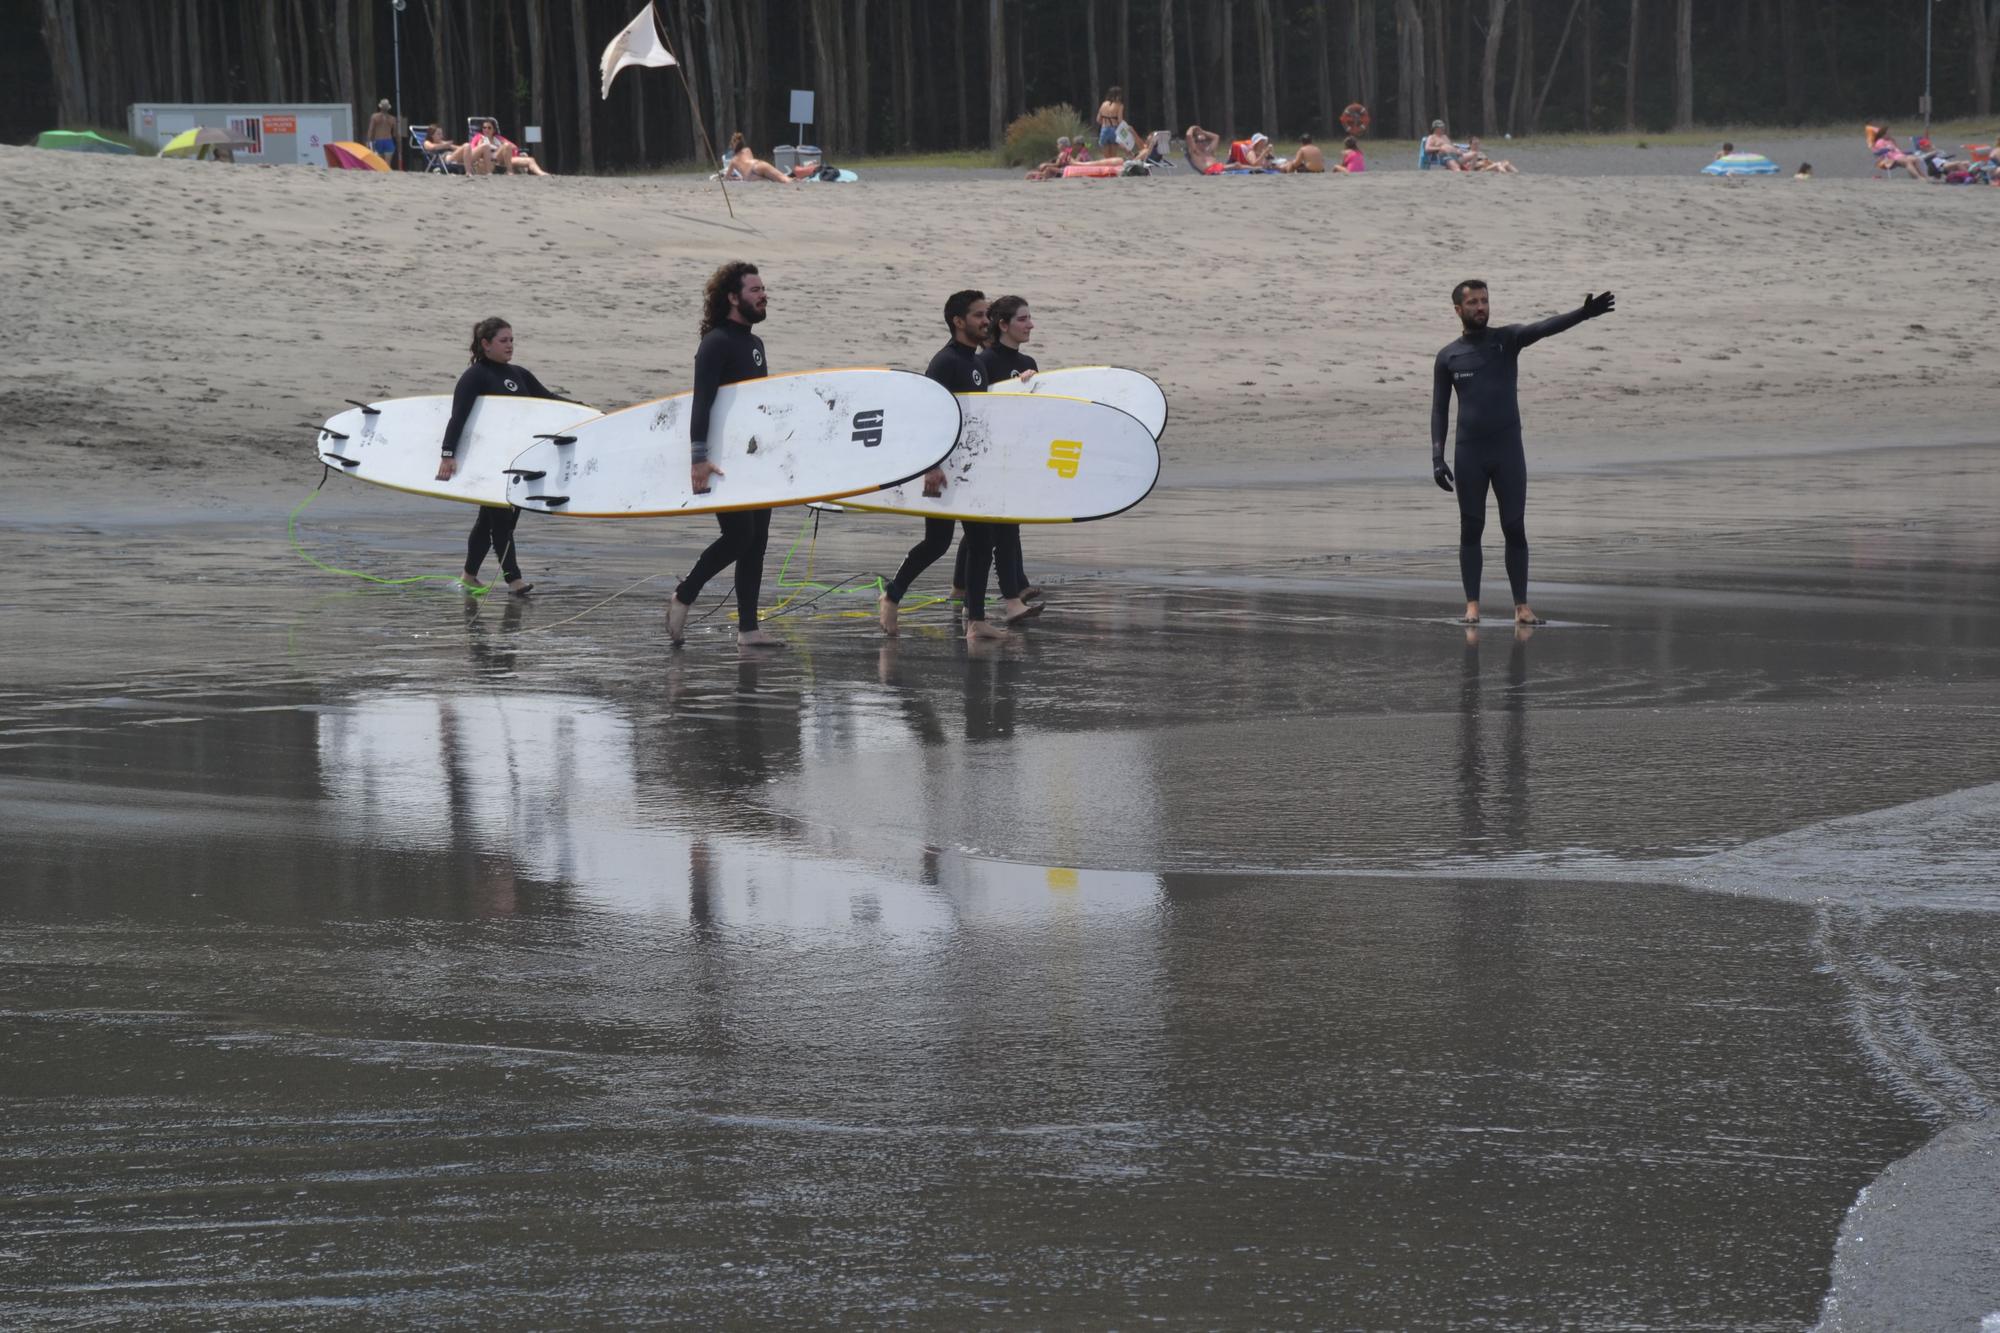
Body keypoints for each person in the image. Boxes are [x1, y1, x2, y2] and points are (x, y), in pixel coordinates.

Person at [1429, 280, 1616, 626]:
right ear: (1458, 310)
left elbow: (1543, 328)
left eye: (1484, 300)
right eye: (1472, 302)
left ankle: (1522, 607)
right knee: (1471, 528)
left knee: (1514, 526)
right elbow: (1440, 410)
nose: (1481, 307)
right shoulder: (1448, 357)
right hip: (1469, 452)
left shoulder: (1507, 340)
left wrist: (1583, 314)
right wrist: (1437, 458)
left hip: (1507, 451)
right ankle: (1472, 606)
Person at [878, 290, 1027, 641]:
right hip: (941, 469)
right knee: (937, 542)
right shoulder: (945, 362)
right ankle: (892, 595)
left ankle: (975, 621)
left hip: (968, 469)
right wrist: (931, 466)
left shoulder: (976, 363)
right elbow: (927, 416)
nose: (985, 321)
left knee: (981, 539)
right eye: (978, 315)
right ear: (959, 321)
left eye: (987, 315)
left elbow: (979, 420)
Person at [665, 263, 780, 648]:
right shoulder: (716, 343)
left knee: (758, 539)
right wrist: (699, 457)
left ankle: (748, 629)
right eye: (755, 290)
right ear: (732, 297)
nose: (763, 295)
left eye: (764, 289)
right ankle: (686, 592)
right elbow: (703, 401)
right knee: (739, 536)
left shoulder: (755, 344)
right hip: (721, 458)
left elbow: (757, 408)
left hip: (753, 458)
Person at [435, 317, 561, 597]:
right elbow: (458, 417)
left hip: (516, 461)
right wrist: (448, 454)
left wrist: (585, 412)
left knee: (489, 522)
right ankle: (513, 581)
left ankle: (468, 576)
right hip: (489, 463)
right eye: (503, 341)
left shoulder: (519, 374)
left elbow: (548, 399)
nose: (510, 346)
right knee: (502, 522)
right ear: (486, 344)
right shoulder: (475, 376)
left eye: (512, 340)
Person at [969, 295, 1042, 605]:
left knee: (1004, 524)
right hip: (990, 456)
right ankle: (1012, 591)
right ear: (1003, 325)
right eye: (1023, 319)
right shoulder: (986, 362)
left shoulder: (1028, 364)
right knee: (999, 527)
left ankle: (967, 587)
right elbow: (982, 408)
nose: (1030, 325)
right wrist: (1016, 388)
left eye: (1029, 318)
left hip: (1015, 453)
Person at [471, 119, 548, 176]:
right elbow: (473, 149)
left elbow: (514, 147)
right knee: (506, 146)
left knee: (530, 160)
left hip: (504, 159)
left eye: (489, 128)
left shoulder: (498, 138)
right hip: (489, 159)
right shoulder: (479, 137)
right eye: (484, 127)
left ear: (493, 130)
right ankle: (509, 171)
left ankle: (541, 173)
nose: (486, 129)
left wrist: (502, 147)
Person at [725, 131, 799, 184]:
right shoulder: (747, 150)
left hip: (750, 176)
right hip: (757, 164)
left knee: (770, 181)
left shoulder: (733, 160)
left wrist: (737, 178)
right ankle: (795, 181)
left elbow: (727, 178)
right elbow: (751, 159)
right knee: (783, 178)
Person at [1096, 86, 1128, 153]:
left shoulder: (1103, 104)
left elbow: (1098, 120)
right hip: (1114, 129)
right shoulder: (1120, 105)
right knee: (1113, 156)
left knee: (1106, 157)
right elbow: (1120, 121)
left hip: (1104, 129)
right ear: (1118, 95)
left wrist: (1106, 123)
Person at [367, 99, 398, 166]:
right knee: (387, 164)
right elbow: (395, 133)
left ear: (380, 107)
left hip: (378, 140)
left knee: (379, 164)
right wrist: (398, 142)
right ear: (388, 108)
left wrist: (369, 141)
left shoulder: (374, 117)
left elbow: (371, 130)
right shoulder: (392, 119)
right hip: (388, 141)